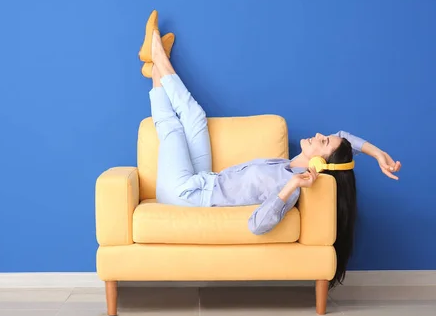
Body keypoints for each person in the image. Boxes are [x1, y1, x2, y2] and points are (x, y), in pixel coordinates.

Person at [146, 30, 401, 288]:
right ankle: (157, 65)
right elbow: (342, 136)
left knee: (173, 129)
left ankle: (157, 57)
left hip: (185, 193)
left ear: (320, 165)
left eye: (323, 142)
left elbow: (257, 225)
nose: (319, 135)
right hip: (204, 179)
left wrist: (292, 186)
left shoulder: (289, 188)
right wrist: (376, 153)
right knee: (195, 119)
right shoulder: (289, 164)